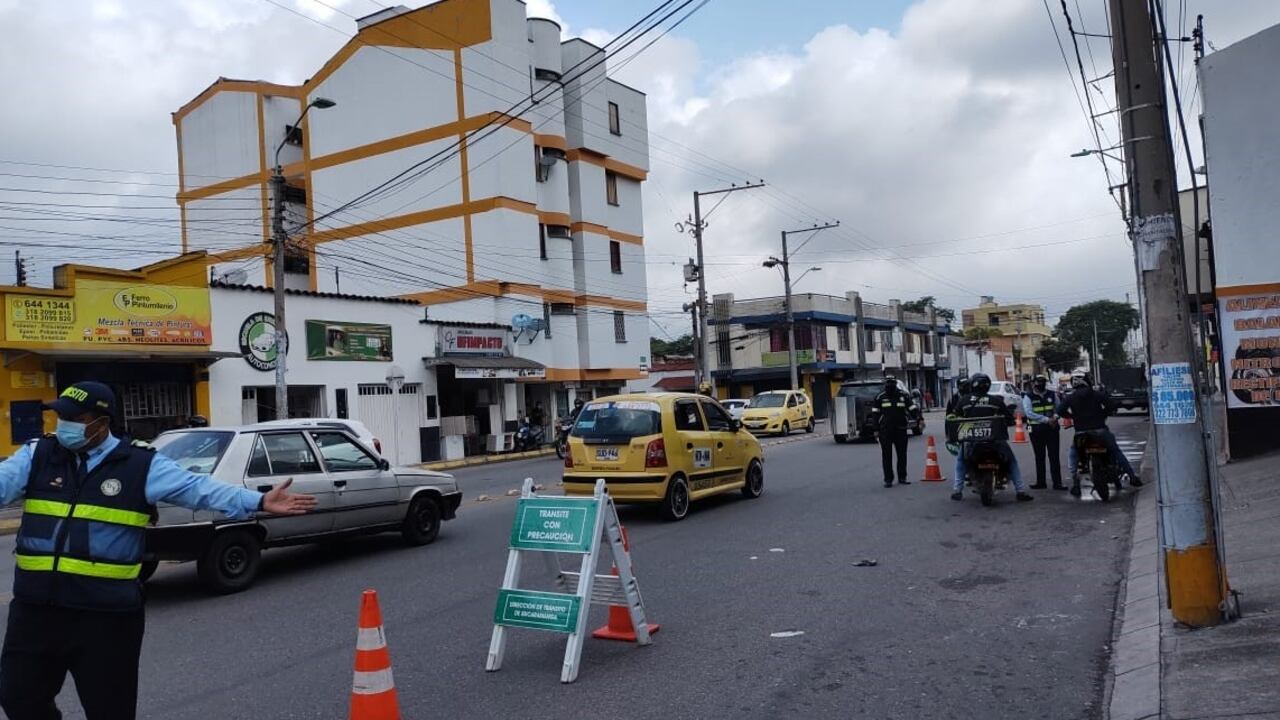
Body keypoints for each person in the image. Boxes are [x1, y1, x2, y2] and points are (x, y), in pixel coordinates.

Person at [0, 382, 317, 720]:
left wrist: (258, 500)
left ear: (102, 422)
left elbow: (198, 489)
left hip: (106, 618)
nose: (63, 425)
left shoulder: (140, 464)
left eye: (74, 417)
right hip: (36, 611)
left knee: (110, 711)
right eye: (60, 416)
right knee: (18, 698)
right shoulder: (39, 455)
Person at [950, 372, 1034, 503]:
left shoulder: (964, 400)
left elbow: (954, 417)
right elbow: (1009, 418)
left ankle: (957, 490)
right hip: (995, 441)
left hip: (971, 441)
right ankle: (1020, 491)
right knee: (1012, 462)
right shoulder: (996, 401)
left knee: (961, 461)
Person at [1056, 372, 1141, 497]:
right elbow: (1111, 405)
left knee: (1073, 455)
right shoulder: (1096, 394)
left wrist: (1073, 416)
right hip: (1100, 430)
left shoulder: (1071, 397)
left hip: (1081, 434)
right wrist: (1103, 414)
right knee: (1116, 451)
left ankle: (1075, 482)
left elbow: (1060, 410)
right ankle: (1132, 476)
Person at [870, 375, 917, 488]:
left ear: (896, 383)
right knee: (887, 455)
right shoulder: (880, 397)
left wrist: (919, 419)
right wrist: (875, 429)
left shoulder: (903, 395)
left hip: (901, 429)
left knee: (902, 455)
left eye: (892, 383)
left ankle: (902, 477)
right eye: (888, 383)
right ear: (885, 384)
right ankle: (888, 479)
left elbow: (912, 409)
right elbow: (875, 415)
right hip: (885, 431)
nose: (890, 385)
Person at [1021, 375, 1065, 491]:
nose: (1040, 384)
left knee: (1054, 456)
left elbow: (1059, 407)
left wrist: (1055, 417)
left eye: (1042, 382)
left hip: (1052, 428)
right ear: (1033, 383)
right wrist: (1046, 420)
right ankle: (1041, 482)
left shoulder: (1052, 394)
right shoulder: (1028, 397)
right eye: (1038, 382)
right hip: (1036, 430)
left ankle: (1057, 483)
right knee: (1039, 456)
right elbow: (1029, 413)